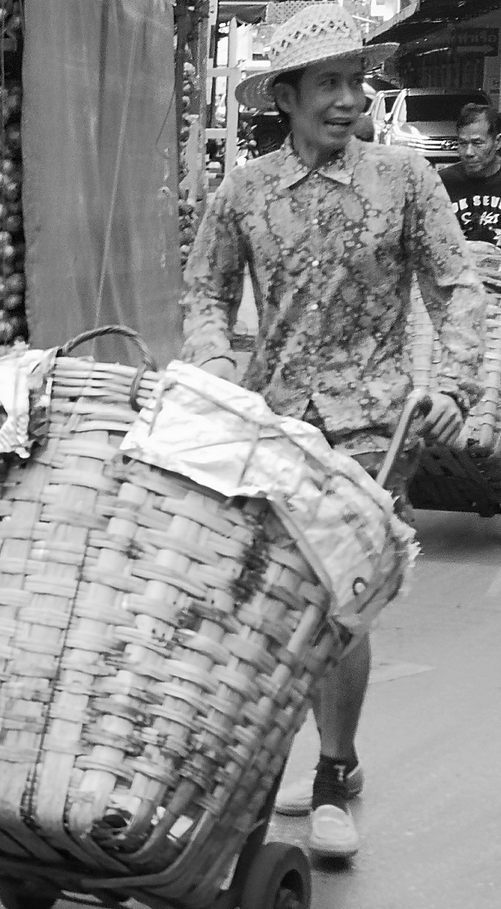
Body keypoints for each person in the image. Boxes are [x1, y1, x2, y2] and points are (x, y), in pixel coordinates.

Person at [181, 4, 486, 859]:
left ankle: (335, 771)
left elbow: (457, 286)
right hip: (271, 423)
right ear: (286, 96)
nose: (350, 98)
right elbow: (203, 292)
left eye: (357, 81)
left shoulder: (404, 182)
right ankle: (271, 759)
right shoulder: (243, 192)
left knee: (339, 603)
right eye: (329, 83)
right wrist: (211, 360)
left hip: (372, 427)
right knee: (273, 604)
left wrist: (457, 384)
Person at [439, 102, 501, 244]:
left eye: (478, 143)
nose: (469, 152)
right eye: (462, 143)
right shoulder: (442, 183)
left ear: (497, 142)